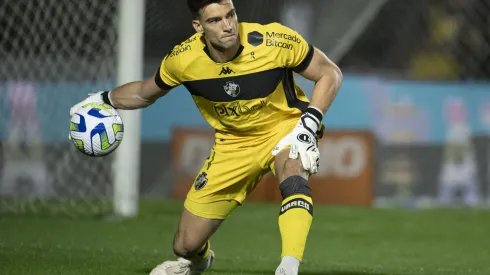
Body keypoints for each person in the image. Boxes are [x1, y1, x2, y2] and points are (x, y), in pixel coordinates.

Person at [69, 0, 342, 274]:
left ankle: (289, 265)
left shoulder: (274, 40)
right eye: (215, 20)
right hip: (232, 145)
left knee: (293, 171)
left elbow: (329, 73)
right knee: (185, 244)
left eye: (230, 15)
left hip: (285, 127)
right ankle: (199, 263)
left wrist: (309, 123)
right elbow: (143, 92)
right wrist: (104, 99)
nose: (228, 26)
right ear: (198, 26)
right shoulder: (183, 60)